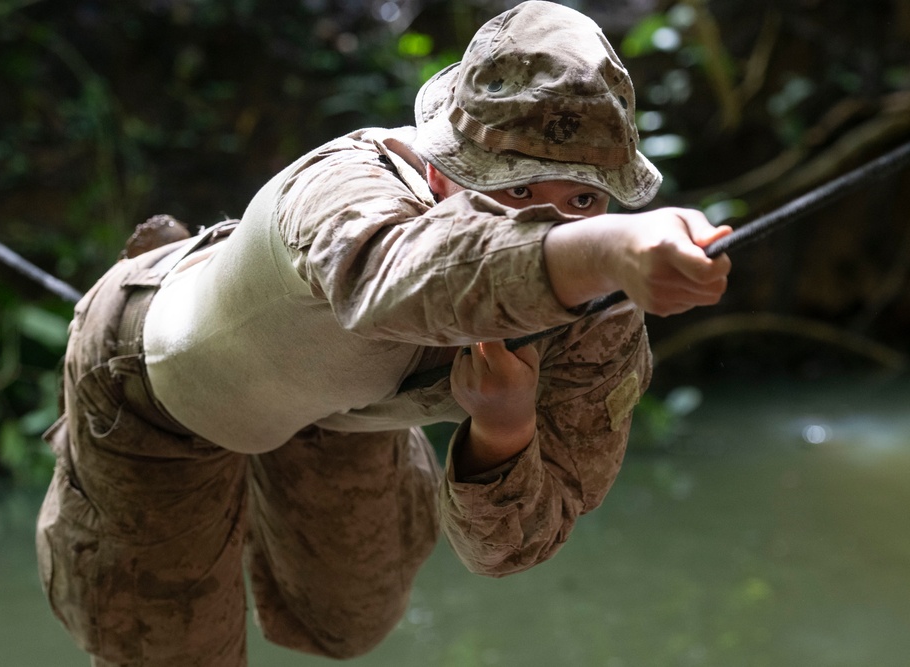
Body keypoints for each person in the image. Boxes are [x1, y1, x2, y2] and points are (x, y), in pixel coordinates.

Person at [36, 2, 731, 665]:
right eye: (517, 192)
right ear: (437, 168)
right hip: (147, 391)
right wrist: (604, 248)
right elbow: (400, 274)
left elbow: (514, 543)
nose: (553, 223)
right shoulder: (347, 185)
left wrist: (504, 429)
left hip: (337, 412)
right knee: (174, 647)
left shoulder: (597, 309)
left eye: (583, 199)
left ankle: (263, 449)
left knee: (345, 624)